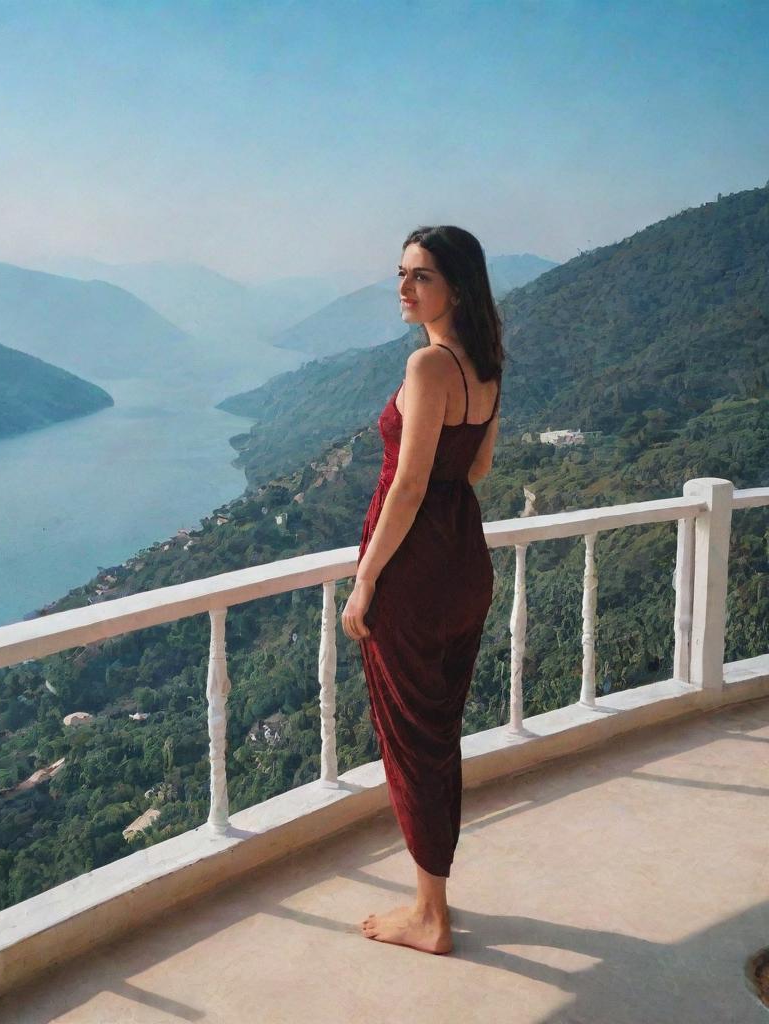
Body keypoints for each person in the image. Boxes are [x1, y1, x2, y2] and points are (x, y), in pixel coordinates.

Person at [341, 225, 506, 955]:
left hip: (414, 573)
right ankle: (432, 897)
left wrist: (367, 579)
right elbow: (476, 471)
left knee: (411, 744)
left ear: (456, 288)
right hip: (463, 561)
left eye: (422, 277)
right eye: (402, 274)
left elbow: (407, 487)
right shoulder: (486, 364)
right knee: (437, 735)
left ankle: (430, 915)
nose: (404, 289)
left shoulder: (428, 366)